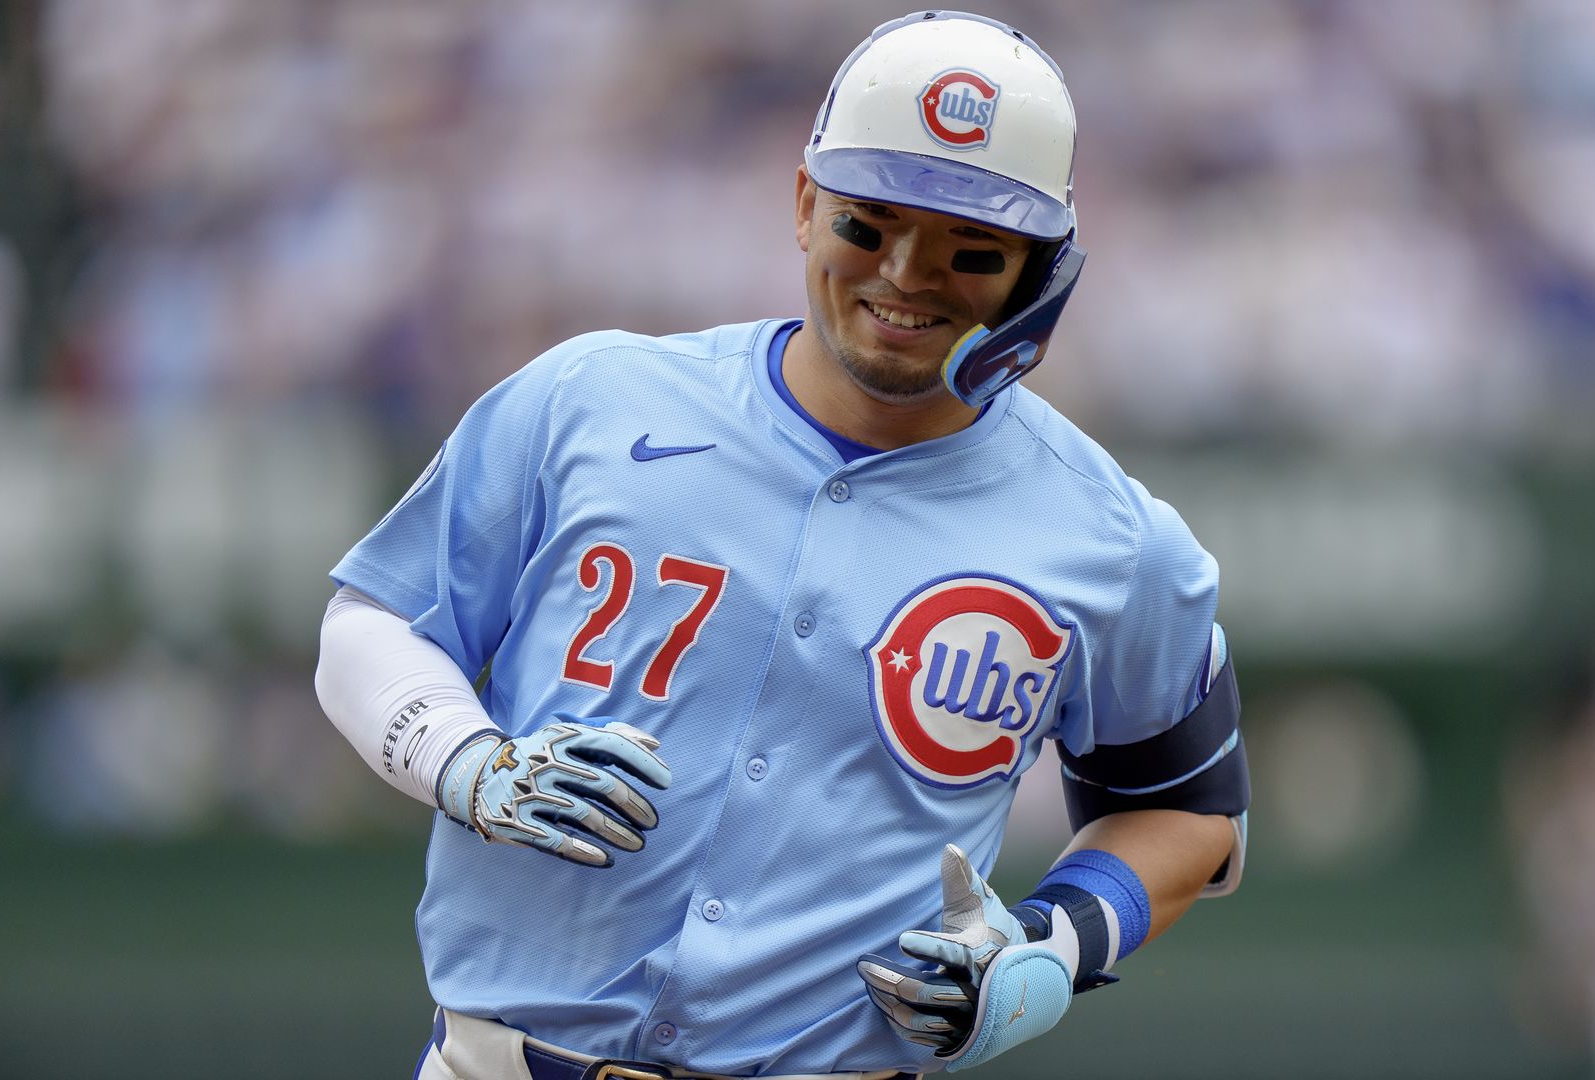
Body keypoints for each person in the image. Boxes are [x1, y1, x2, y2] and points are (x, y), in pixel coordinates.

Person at [315, 11, 1249, 1079]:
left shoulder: (1112, 537)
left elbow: (1187, 809)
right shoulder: (592, 398)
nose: (906, 274)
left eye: (971, 249)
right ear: (805, 205)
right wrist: (466, 762)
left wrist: (1048, 945)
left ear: (1041, 272)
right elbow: (376, 617)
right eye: (869, 225)